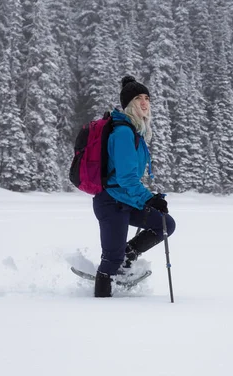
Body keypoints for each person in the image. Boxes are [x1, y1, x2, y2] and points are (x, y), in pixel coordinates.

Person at [93, 75, 176, 298]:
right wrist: (149, 198)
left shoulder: (134, 131)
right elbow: (126, 178)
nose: (144, 102)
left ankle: (127, 257)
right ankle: (98, 305)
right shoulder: (122, 133)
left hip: (127, 200)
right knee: (110, 259)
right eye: (138, 98)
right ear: (128, 103)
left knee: (165, 224)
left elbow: (130, 181)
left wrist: (148, 198)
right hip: (111, 202)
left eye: (147, 97)